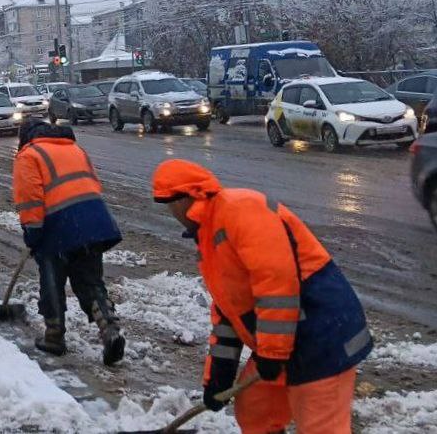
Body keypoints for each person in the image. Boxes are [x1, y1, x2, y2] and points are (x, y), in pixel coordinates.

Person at [151, 159, 373, 433]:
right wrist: (219, 375)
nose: (171, 212)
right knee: (255, 409)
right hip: (282, 343)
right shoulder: (208, 235)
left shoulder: (240, 210)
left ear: (190, 196)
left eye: (171, 203)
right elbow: (228, 311)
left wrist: (271, 352)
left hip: (322, 336)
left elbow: (276, 284)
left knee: (320, 425)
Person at [13, 120, 125, 365]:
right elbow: (93, 183)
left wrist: (32, 234)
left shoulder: (29, 155)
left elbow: (30, 199)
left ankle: (54, 337)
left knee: (52, 281)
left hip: (58, 225)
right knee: (91, 281)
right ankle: (110, 330)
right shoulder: (74, 148)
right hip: (94, 221)